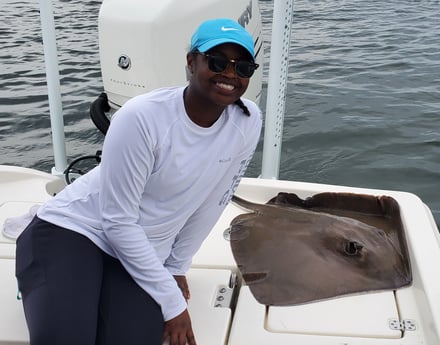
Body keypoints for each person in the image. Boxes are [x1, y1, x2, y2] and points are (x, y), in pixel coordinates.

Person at [15, 18, 262, 345]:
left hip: (142, 249)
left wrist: (176, 266)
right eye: (217, 62)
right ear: (191, 61)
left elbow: (214, 200)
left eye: (243, 67)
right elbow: (117, 221)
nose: (231, 74)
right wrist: (173, 304)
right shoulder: (143, 118)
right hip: (74, 231)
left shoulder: (247, 121)